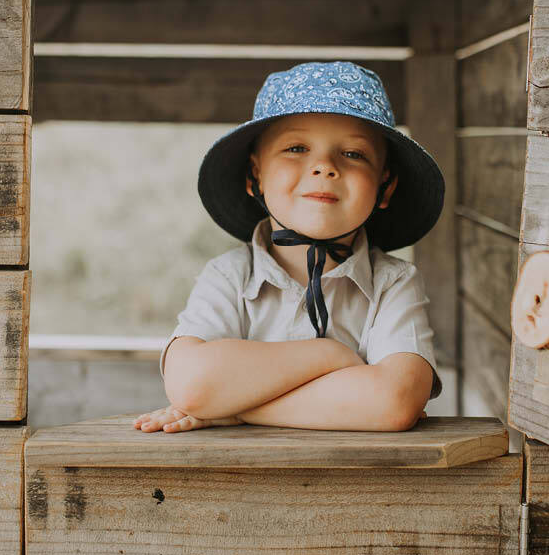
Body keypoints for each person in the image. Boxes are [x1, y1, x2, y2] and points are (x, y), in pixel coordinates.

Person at [133, 61, 445, 433]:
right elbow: (190, 385)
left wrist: (235, 408)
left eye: (353, 154)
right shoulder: (229, 277)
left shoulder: (394, 283)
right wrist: (331, 355)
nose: (324, 167)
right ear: (255, 175)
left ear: (386, 186)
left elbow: (394, 403)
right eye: (296, 147)